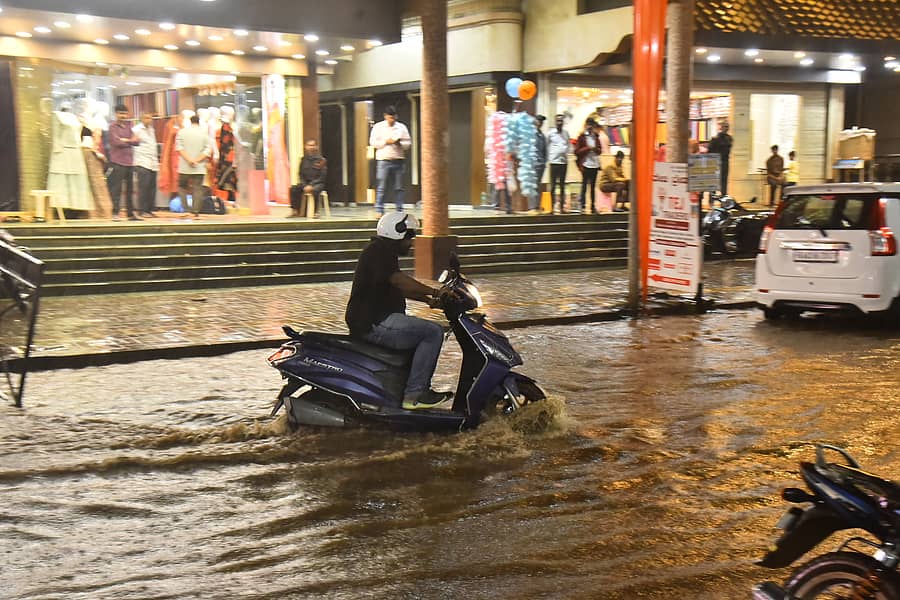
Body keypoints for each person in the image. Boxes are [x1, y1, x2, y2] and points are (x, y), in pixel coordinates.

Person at [345, 212, 453, 410]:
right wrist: (435, 291)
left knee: (420, 332)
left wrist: (429, 300)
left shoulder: (382, 251)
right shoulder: (378, 251)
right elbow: (398, 280)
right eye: (409, 237)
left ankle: (403, 389)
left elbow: (396, 287)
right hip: (373, 322)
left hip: (377, 319)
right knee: (432, 332)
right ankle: (415, 394)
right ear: (396, 233)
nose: (411, 243)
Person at [369, 106, 412, 215]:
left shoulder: (401, 127)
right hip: (383, 160)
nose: (391, 120)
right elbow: (373, 142)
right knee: (382, 186)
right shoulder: (378, 127)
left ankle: (399, 210)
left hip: (398, 160)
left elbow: (408, 143)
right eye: (389, 118)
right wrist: (385, 142)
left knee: (399, 187)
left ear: (396, 117)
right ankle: (379, 210)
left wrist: (400, 143)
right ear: (385, 116)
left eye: (393, 118)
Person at [106, 104, 141, 221]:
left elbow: (137, 141)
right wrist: (130, 141)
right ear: (116, 114)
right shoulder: (112, 127)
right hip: (117, 162)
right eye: (121, 113)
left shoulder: (129, 126)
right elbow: (116, 142)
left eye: (125, 113)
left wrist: (126, 140)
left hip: (129, 162)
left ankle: (131, 214)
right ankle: (115, 213)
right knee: (116, 189)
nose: (123, 116)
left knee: (130, 190)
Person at [175, 114, 211, 218]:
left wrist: (189, 160)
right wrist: (196, 160)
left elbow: (179, 148)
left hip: (184, 166)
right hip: (199, 166)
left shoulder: (182, 132)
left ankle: (186, 209)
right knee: (198, 188)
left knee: (182, 187)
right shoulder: (204, 133)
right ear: (199, 121)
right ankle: (195, 211)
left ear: (190, 121)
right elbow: (208, 150)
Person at [289, 139, 328, 218]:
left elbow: (322, 176)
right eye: (309, 145)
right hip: (305, 183)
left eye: (313, 145)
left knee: (315, 190)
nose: (311, 147)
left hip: (317, 183)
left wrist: (311, 185)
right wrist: (304, 185)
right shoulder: (303, 160)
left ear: (316, 147)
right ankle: (295, 211)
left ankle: (315, 212)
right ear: (305, 147)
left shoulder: (321, 160)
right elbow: (300, 175)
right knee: (293, 189)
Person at [132, 112, 159, 218]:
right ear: (141, 119)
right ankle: (142, 210)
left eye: (150, 118)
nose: (149, 120)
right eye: (147, 118)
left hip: (153, 162)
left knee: (152, 188)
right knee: (143, 187)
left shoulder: (152, 129)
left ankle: (149, 210)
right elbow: (132, 144)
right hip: (142, 162)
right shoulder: (136, 129)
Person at [574, 118, 600, 214]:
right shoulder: (582, 137)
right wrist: (588, 148)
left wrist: (595, 149)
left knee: (593, 187)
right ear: (585, 125)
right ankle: (583, 206)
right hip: (585, 164)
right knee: (584, 186)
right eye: (588, 125)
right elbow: (577, 151)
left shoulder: (596, 136)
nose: (590, 127)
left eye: (591, 125)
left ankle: (593, 206)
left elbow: (600, 150)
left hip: (595, 164)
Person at [547, 114, 571, 214]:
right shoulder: (551, 133)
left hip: (563, 162)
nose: (559, 123)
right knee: (553, 186)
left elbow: (568, 145)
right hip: (554, 162)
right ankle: (551, 208)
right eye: (558, 121)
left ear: (563, 122)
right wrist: (550, 156)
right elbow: (547, 145)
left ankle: (561, 207)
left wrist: (566, 153)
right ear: (555, 122)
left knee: (562, 185)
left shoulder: (566, 133)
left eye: (561, 121)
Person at [707, 121, 733, 195]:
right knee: (714, 181)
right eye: (725, 126)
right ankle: (713, 198)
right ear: (721, 127)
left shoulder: (729, 138)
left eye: (727, 127)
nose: (726, 128)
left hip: (724, 161)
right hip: (716, 162)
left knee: (723, 182)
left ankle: (722, 197)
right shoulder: (716, 139)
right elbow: (710, 151)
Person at [529, 114, 548, 214]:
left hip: (540, 164)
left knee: (538, 185)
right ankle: (532, 206)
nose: (540, 123)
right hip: (533, 163)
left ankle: (537, 206)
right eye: (539, 121)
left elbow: (545, 150)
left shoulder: (542, 135)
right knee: (533, 185)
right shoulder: (531, 134)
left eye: (542, 122)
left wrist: (544, 162)